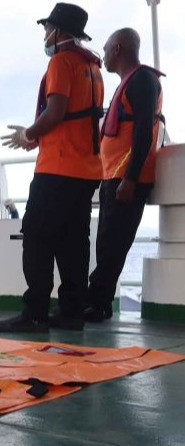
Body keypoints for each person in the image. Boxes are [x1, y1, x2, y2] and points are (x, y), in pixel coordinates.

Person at [0, 3, 104, 332]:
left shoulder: (61, 61)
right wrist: (36, 138)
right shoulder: (93, 68)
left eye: (46, 29)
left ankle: (36, 312)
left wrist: (29, 133)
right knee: (74, 242)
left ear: (58, 31)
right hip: (87, 171)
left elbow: (56, 111)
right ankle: (71, 313)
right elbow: (75, 119)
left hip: (57, 169)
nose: (44, 35)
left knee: (37, 237)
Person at [86, 28, 165, 322]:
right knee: (105, 241)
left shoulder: (143, 80)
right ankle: (97, 301)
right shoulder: (127, 83)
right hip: (112, 176)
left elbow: (143, 131)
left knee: (113, 242)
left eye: (106, 49)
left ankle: (99, 304)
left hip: (127, 178)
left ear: (118, 48)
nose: (104, 55)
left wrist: (130, 178)